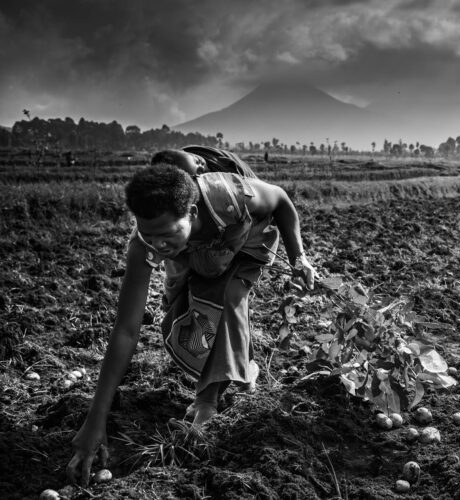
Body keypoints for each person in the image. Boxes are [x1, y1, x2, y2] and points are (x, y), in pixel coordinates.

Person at [66, 149, 315, 486]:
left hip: (244, 237)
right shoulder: (145, 245)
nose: (158, 244)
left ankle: (207, 400)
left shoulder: (229, 195)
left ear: (192, 211)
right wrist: (96, 420)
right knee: (185, 317)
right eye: (149, 235)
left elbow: (282, 201)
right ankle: (244, 367)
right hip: (199, 251)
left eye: (167, 234)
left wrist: (299, 258)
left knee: (225, 296)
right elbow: (126, 330)